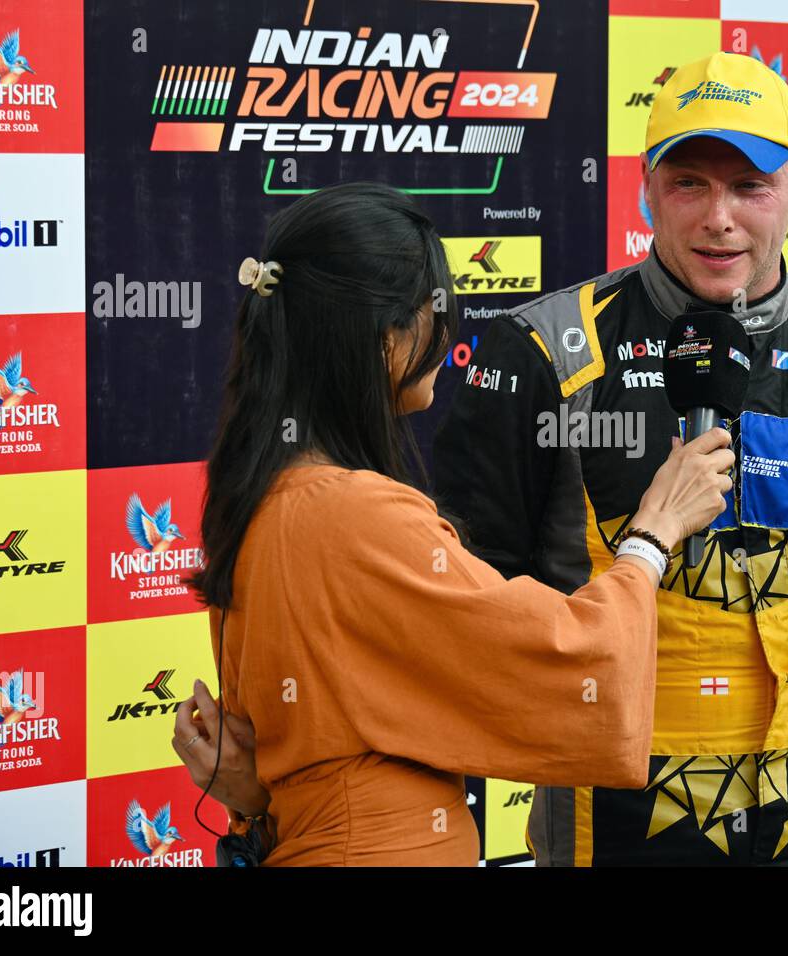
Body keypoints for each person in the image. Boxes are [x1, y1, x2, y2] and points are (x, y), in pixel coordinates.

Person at [428, 52, 788, 866]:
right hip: (620, 805)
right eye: (690, 183)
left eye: (751, 187)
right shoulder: (544, 352)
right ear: (646, 185)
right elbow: (466, 621)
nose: (719, 219)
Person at [172, 181, 736, 866]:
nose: (450, 336)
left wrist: (257, 795)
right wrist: (655, 529)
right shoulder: (354, 514)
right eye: (435, 312)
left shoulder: (261, 498)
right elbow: (571, 662)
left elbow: (316, 738)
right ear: (385, 337)